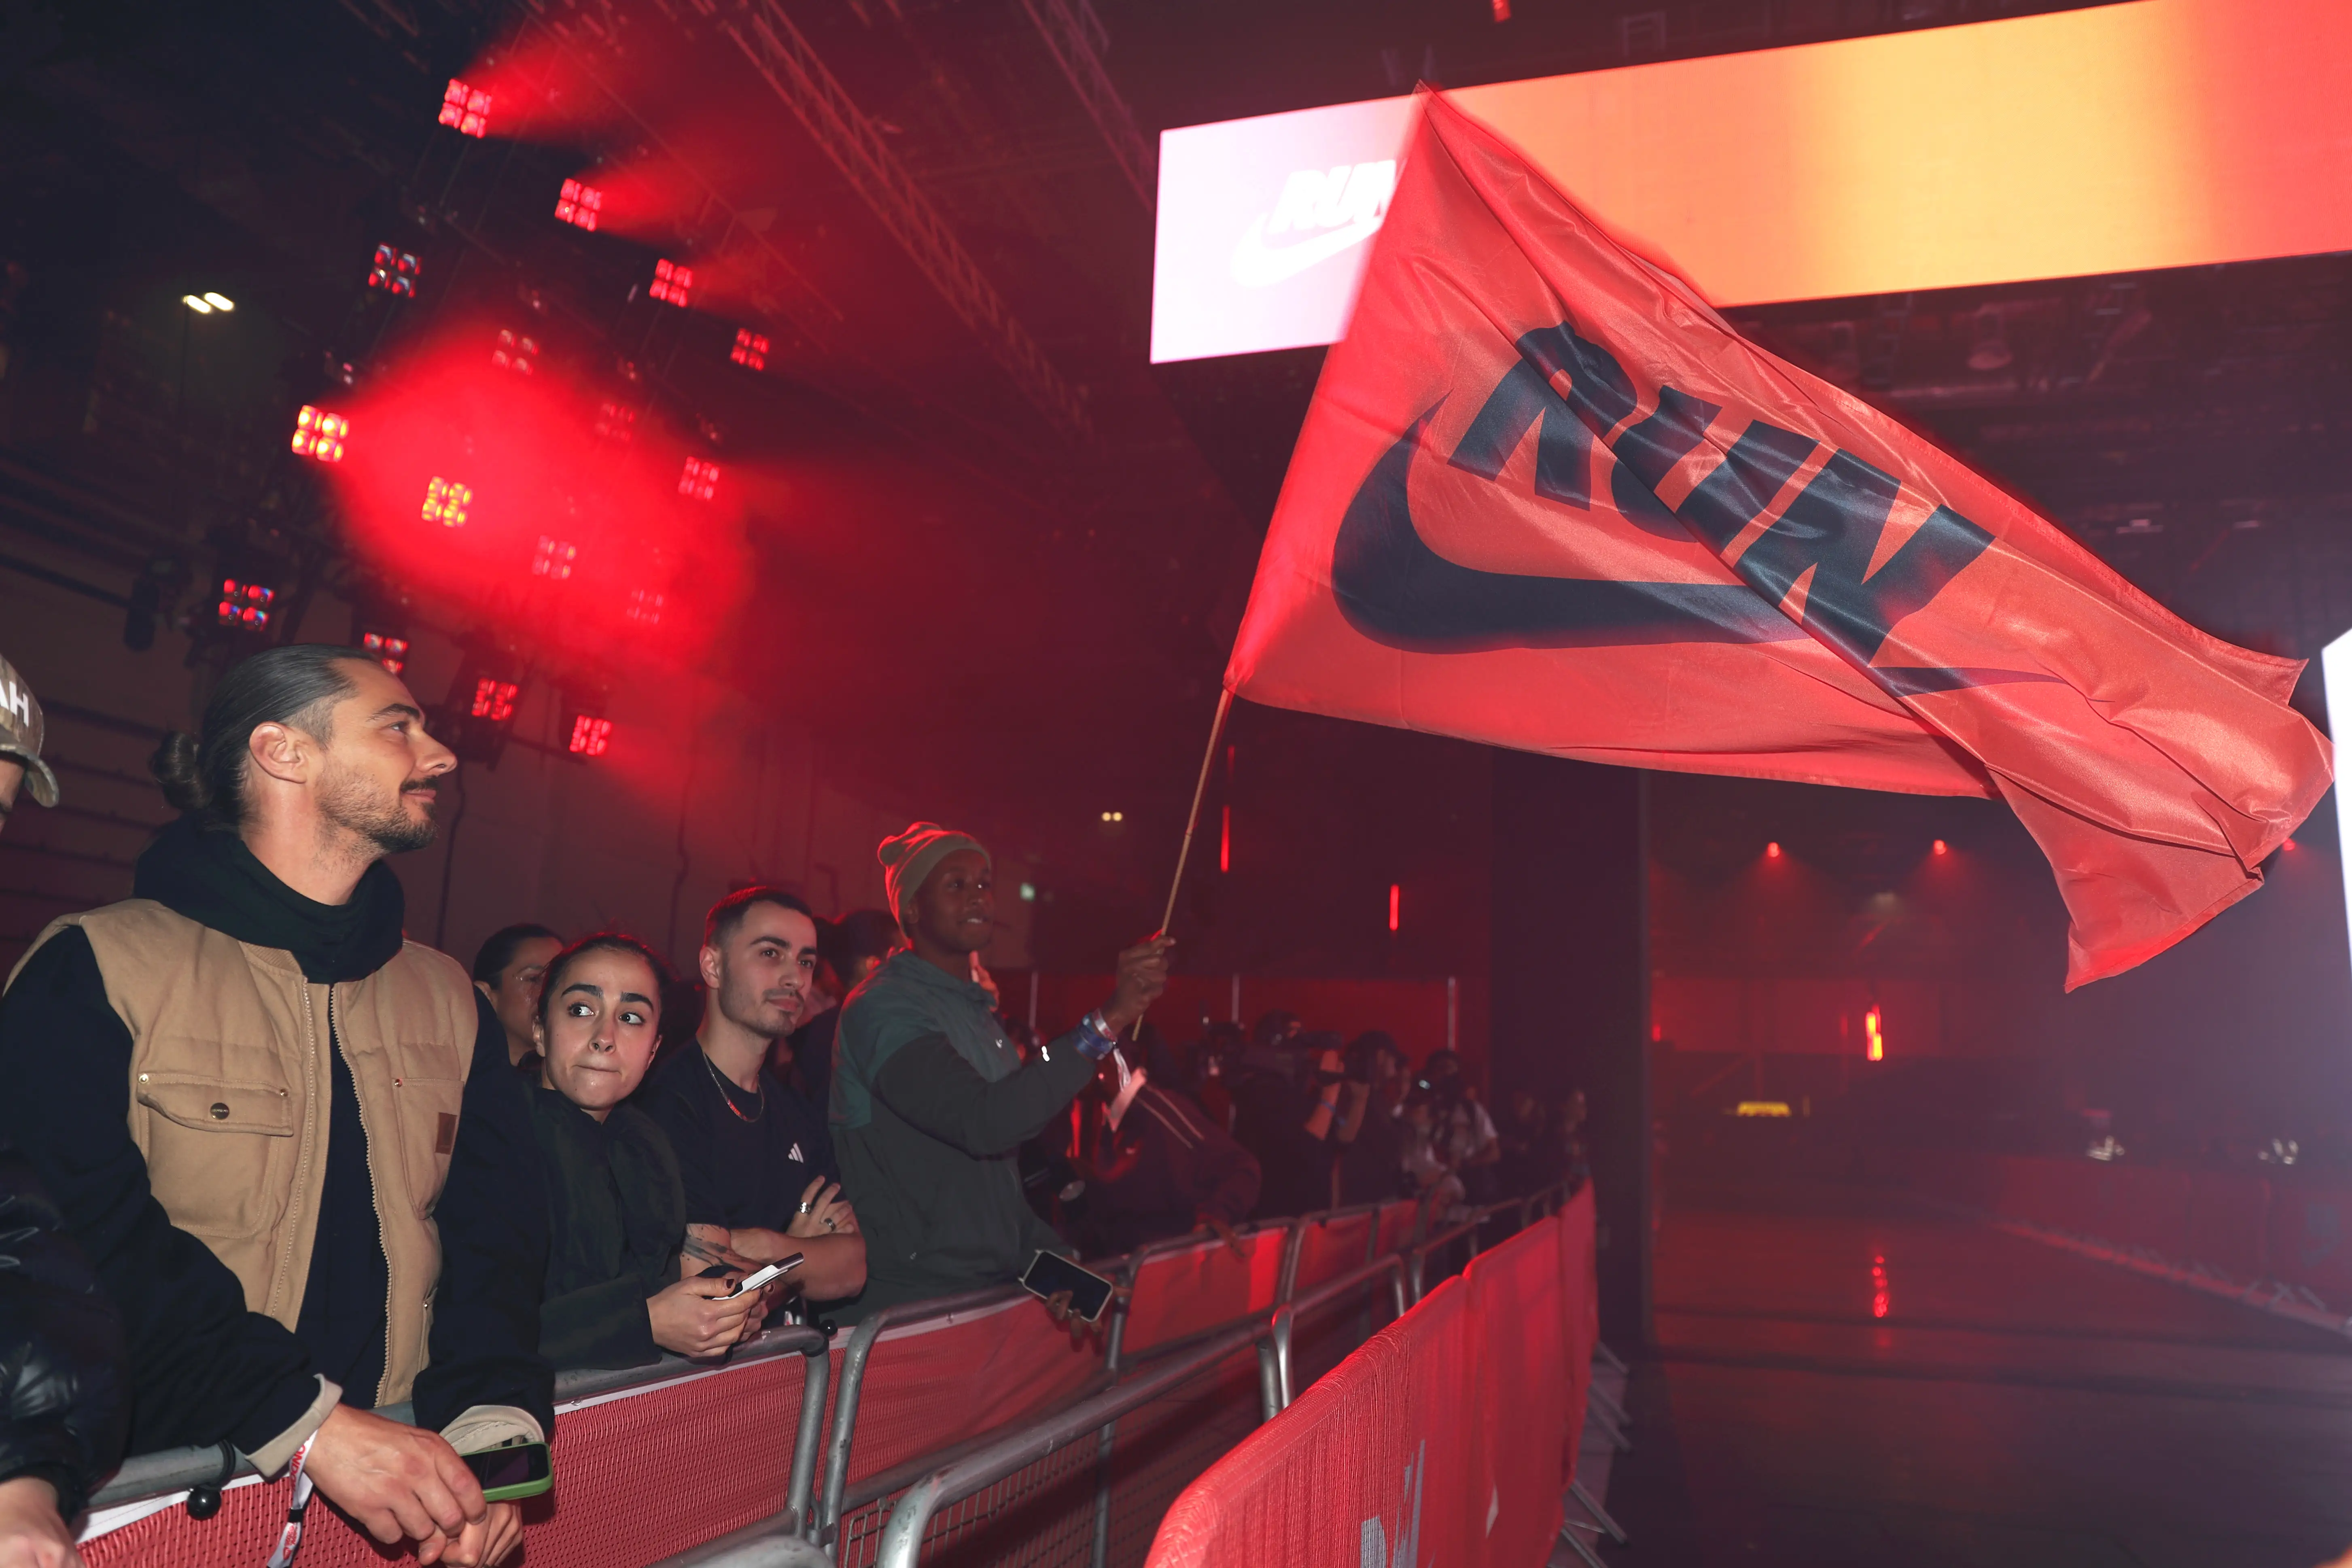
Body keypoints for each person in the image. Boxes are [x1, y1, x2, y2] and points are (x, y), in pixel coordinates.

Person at [0, 646, 543, 1568]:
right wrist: (307, 1420)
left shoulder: (451, 996)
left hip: (407, 1495)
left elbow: (495, 1248)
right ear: (283, 751)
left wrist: (490, 1457)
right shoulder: (95, 965)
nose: (441, 753)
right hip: (170, 1496)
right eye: (397, 724)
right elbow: (84, 1248)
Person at [832, 823, 1170, 1317]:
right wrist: (1105, 1020)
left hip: (976, 1298)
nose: (977, 896)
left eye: (984, 883)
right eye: (955, 884)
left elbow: (995, 1186)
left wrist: (1056, 1265)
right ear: (911, 908)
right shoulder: (884, 1006)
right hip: (904, 1309)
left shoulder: (976, 1015)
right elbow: (983, 1122)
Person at [455, 934, 769, 1372]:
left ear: (653, 1050)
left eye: (631, 1017)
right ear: (541, 1030)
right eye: (581, 1009)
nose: (605, 1037)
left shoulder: (646, 1147)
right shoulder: (492, 1134)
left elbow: (644, 1282)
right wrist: (647, 1321)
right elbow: (476, 1330)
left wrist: (714, 1309)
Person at [639, 889, 867, 1310]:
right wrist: (801, 1253)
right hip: (698, 1377)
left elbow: (853, 1268)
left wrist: (762, 1244)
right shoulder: (668, 1101)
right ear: (713, 965)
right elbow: (714, 1293)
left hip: (775, 1368)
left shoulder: (793, 1109)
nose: (794, 977)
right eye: (770, 953)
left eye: (805, 961)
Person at [1077, 1044, 1260, 1257]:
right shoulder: (1107, 1115)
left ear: (1108, 1063)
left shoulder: (1157, 1112)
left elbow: (1242, 1166)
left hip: (1168, 1271)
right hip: (1132, 1267)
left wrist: (1213, 1219)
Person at [472, 923, 562, 1073]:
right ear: (486, 996)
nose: (551, 992)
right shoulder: (459, 1084)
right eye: (534, 979)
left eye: (558, 980)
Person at [1333, 1031, 1408, 1205]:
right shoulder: (1355, 1094)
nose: (1395, 1068)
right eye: (1393, 1060)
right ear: (1381, 1056)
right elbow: (1391, 1147)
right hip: (1359, 1203)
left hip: (1369, 1202)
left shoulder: (1373, 1097)